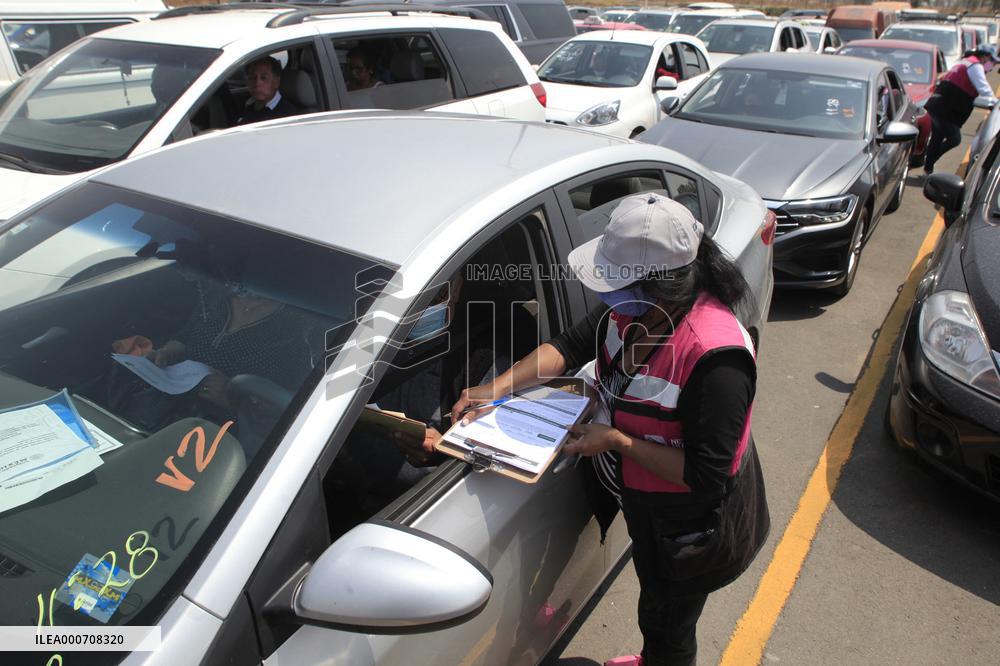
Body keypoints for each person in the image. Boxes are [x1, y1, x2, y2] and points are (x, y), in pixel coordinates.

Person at [452, 193, 770, 666]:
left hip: (693, 528)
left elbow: (708, 476)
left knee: (670, 622)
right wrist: (493, 390)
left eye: (615, 285)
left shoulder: (716, 358)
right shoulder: (635, 310)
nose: (607, 299)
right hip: (649, 506)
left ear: (660, 284)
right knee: (655, 602)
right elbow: (568, 345)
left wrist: (618, 441)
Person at [923, 44, 1000, 174]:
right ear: (985, 57)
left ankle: (928, 168)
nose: (992, 66)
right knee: (954, 138)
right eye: (992, 61)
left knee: (937, 137)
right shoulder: (975, 66)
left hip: (939, 103)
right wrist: (995, 103)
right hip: (945, 106)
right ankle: (929, 161)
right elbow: (984, 89)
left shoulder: (966, 62)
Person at [235, 56, 301, 126]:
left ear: (276, 82)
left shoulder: (289, 116)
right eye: (252, 77)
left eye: (264, 78)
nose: (257, 83)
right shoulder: (247, 106)